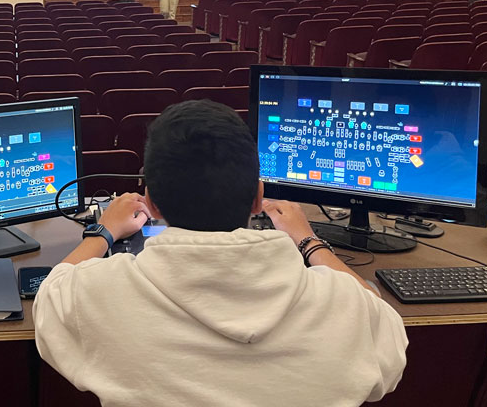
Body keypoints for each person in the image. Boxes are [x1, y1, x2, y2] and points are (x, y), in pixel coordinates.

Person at [34, 100, 408, 407]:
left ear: (152, 205)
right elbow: (382, 319)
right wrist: (308, 241)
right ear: (258, 198)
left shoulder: (99, 294)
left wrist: (104, 231)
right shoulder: (343, 303)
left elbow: (51, 294)